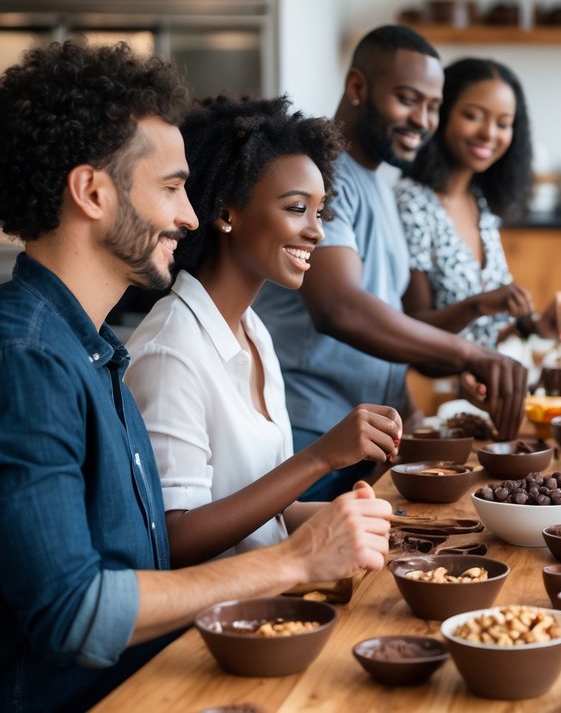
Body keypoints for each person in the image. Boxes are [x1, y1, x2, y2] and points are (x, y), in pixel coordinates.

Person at [0, 41, 391, 713]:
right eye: (172, 188)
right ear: (92, 192)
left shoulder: (89, 349)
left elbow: (152, 552)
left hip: (168, 674)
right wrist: (293, 561)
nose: (188, 215)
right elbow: (74, 611)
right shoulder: (29, 359)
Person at [126, 96, 404, 566]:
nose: (316, 231)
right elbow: (173, 539)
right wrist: (320, 458)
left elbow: (269, 514)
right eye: (297, 208)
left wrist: (363, 516)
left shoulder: (253, 332)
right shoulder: (169, 352)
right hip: (208, 626)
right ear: (226, 213)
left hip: (271, 604)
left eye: (320, 212)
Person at [254, 26, 528, 501]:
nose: (422, 120)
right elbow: (339, 308)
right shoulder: (322, 175)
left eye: (433, 106)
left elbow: (399, 325)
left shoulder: (378, 183)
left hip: (367, 440)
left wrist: (467, 343)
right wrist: (471, 354)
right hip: (309, 443)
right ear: (358, 88)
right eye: (407, 99)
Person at [397, 57, 561, 349]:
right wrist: (478, 305)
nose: (489, 133)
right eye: (473, 116)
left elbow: (483, 337)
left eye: (503, 124)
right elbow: (411, 329)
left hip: (478, 385)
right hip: (432, 389)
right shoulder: (411, 203)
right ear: (440, 114)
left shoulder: (479, 202)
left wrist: (531, 325)